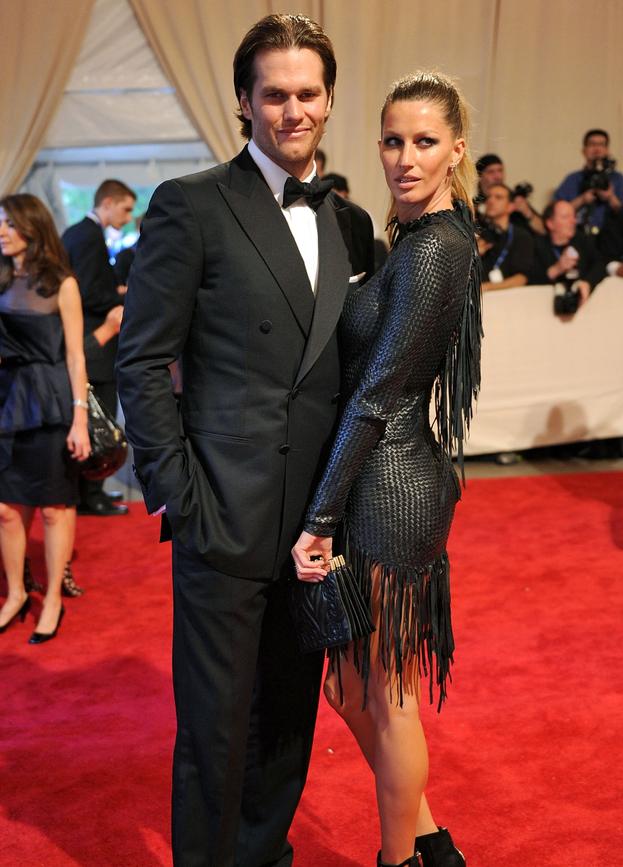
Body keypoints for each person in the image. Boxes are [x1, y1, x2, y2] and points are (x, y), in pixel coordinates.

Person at [116, 13, 375, 867]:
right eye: (274, 94)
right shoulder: (190, 206)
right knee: (216, 732)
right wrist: (177, 494)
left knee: (286, 721)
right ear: (243, 100)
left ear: (329, 99)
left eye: (307, 93)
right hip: (221, 513)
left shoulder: (348, 223)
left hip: (314, 525)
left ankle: (264, 854)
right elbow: (143, 360)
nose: (291, 110)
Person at [292, 70, 481, 867]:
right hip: (382, 473)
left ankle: (396, 859)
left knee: (388, 697)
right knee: (348, 690)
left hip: (389, 488)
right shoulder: (410, 242)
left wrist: (319, 517)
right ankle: (432, 843)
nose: (406, 158)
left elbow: (374, 395)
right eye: (395, 141)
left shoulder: (438, 249)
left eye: (426, 142)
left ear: (456, 151)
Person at [0, 194, 90, 641]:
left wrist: (80, 418)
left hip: (51, 404)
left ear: (32, 228)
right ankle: (16, 592)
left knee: (55, 509)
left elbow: (76, 357)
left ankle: (52, 595)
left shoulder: (61, 283)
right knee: (6, 510)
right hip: (7, 406)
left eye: (10, 224)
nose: (2, 231)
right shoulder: (0, 279)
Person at [62, 179, 135, 517]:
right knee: (98, 420)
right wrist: (124, 297)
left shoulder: (81, 234)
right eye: (125, 208)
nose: (128, 216)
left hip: (91, 340)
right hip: (95, 342)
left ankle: (90, 493)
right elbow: (89, 293)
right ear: (107, 203)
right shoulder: (88, 236)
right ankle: (91, 495)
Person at [531, 200, 605, 302]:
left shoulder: (583, 241)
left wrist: (588, 283)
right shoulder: (536, 246)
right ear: (550, 223)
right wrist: (556, 269)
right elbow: (529, 280)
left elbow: (600, 265)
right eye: (566, 217)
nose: (573, 221)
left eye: (574, 216)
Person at [554, 129, 623, 232]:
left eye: (601, 145)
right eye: (592, 144)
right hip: (579, 234)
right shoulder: (573, 179)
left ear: (607, 150)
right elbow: (556, 212)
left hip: (610, 235)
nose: (597, 149)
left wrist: (610, 197)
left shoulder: (617, 178)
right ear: (584, 151)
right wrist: (582, 199)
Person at [478, 183, 534, 290]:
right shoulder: (477, 233)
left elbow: (521, 278)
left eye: (498, 197)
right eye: (489, 197)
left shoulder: (521, 237)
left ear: (510, 207)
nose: (491, 201)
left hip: (507, 299)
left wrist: (485, 288)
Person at [475, 153, 545, 235]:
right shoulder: (475, 204)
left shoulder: (513, 197)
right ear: (480, 176)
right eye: (491, 172)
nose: (497, 176)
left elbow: (543, 230)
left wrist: (527, 212)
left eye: (500, 170)